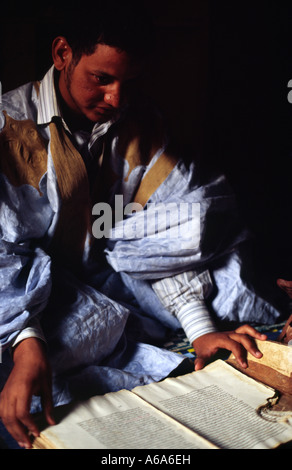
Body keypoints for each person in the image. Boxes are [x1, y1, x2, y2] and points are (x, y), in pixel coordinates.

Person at [0, 1, 283, 449]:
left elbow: (166, 231)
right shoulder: (7, 129)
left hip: (122, 273)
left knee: (224, 259)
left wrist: (200, 327)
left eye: (127, 82)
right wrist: (25, 339)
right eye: (101, 78)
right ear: (61, 54)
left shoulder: (139, 120)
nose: (116, 99)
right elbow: (5, 254)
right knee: (32, 370)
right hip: (36, 298)